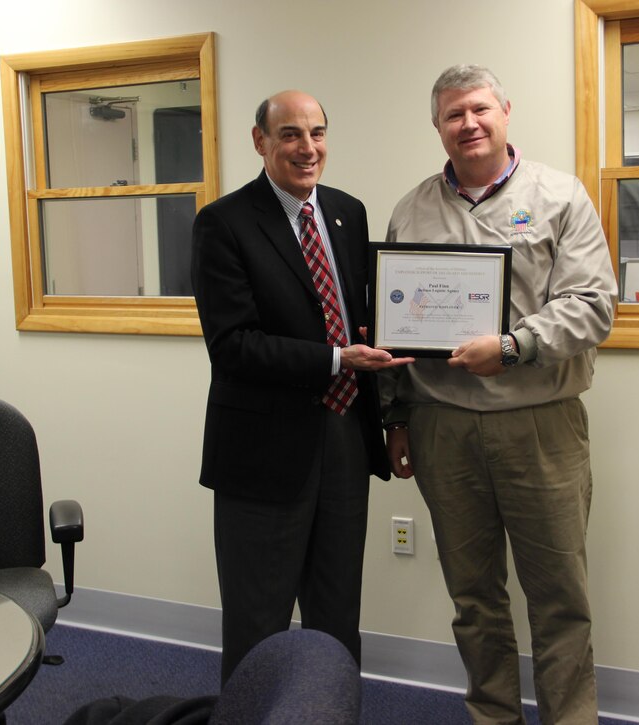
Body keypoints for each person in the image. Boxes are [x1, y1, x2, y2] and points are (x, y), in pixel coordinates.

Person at [381, 65, 617, 724]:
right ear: (438, 127)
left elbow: (593, 306)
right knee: (473, 596)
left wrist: (512, 347)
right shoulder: (412, 208)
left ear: (505, 111)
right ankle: (493, 715)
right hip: (442, 426)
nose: (469, 123)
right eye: (453, 114)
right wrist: (396, 418)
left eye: (479, 109)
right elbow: (397, 325)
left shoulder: (559, 196)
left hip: (539, 425)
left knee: (559, 598)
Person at [191, 90, 412, 685]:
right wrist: (338, 358)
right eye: (290, 134)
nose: (307, 148)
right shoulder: (223, 224)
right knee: (258, 621)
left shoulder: (347, 211)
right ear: (260, 142)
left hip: (344, 437)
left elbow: (366, 317)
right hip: (264, 451)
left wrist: (392, 410)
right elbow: (233, 345)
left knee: (338, 611)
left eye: (317, 133)